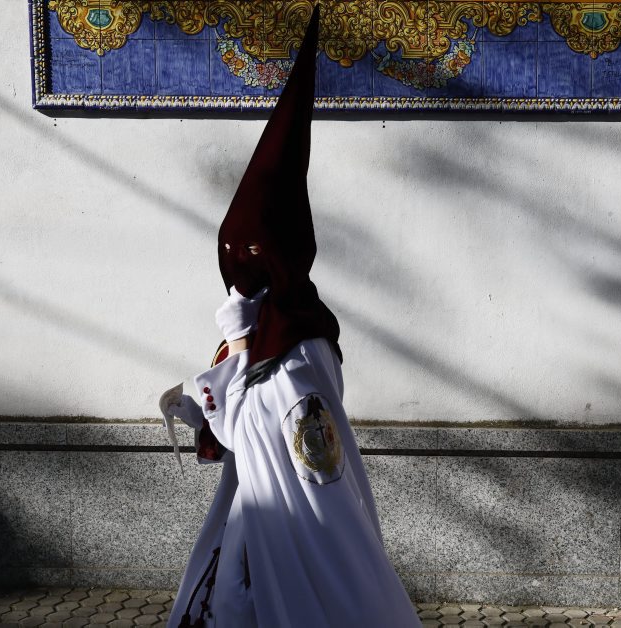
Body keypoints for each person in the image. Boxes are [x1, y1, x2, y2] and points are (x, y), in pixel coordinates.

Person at [163, 8, 422, 626]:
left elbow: (282, 448)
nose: (235, 273)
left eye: (246, 257)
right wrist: (202, 397)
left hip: (290, 536)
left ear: (275, 258)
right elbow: (236, 430)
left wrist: (235, 358)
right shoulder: (262, 330)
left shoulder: (299, 344)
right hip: (252, 517)